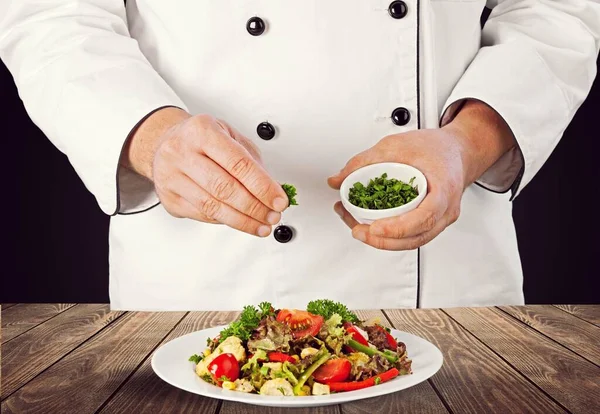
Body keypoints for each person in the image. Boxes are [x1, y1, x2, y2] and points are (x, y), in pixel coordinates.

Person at [1, 1, 598, 311]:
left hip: (443, 276)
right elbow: (54, 16)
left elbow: (557, 10)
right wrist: (151, 137)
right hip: (207, 278)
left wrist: (467, 145)